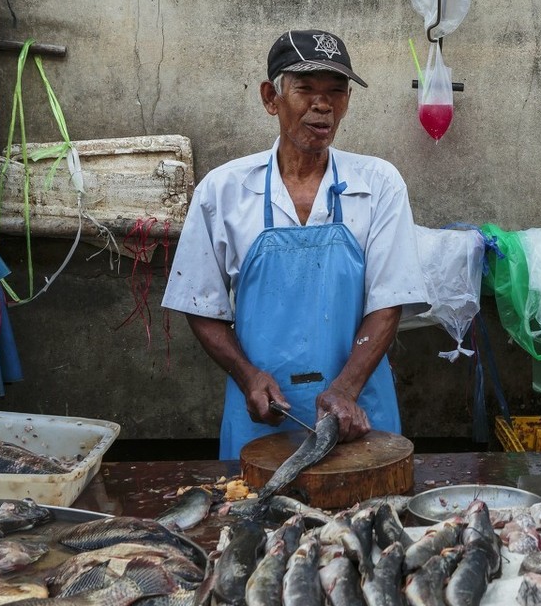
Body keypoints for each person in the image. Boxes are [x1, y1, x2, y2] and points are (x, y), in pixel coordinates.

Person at [162, 28, 426, 460]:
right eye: (305, 89)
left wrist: (345, 389)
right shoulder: (223, 190)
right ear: (271, 98)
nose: (322, 105)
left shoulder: (379, 184)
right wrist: (247, 376)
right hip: (262, 419)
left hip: (357, 415)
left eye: (336, 92)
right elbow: (200, 304)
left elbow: (389, 301)